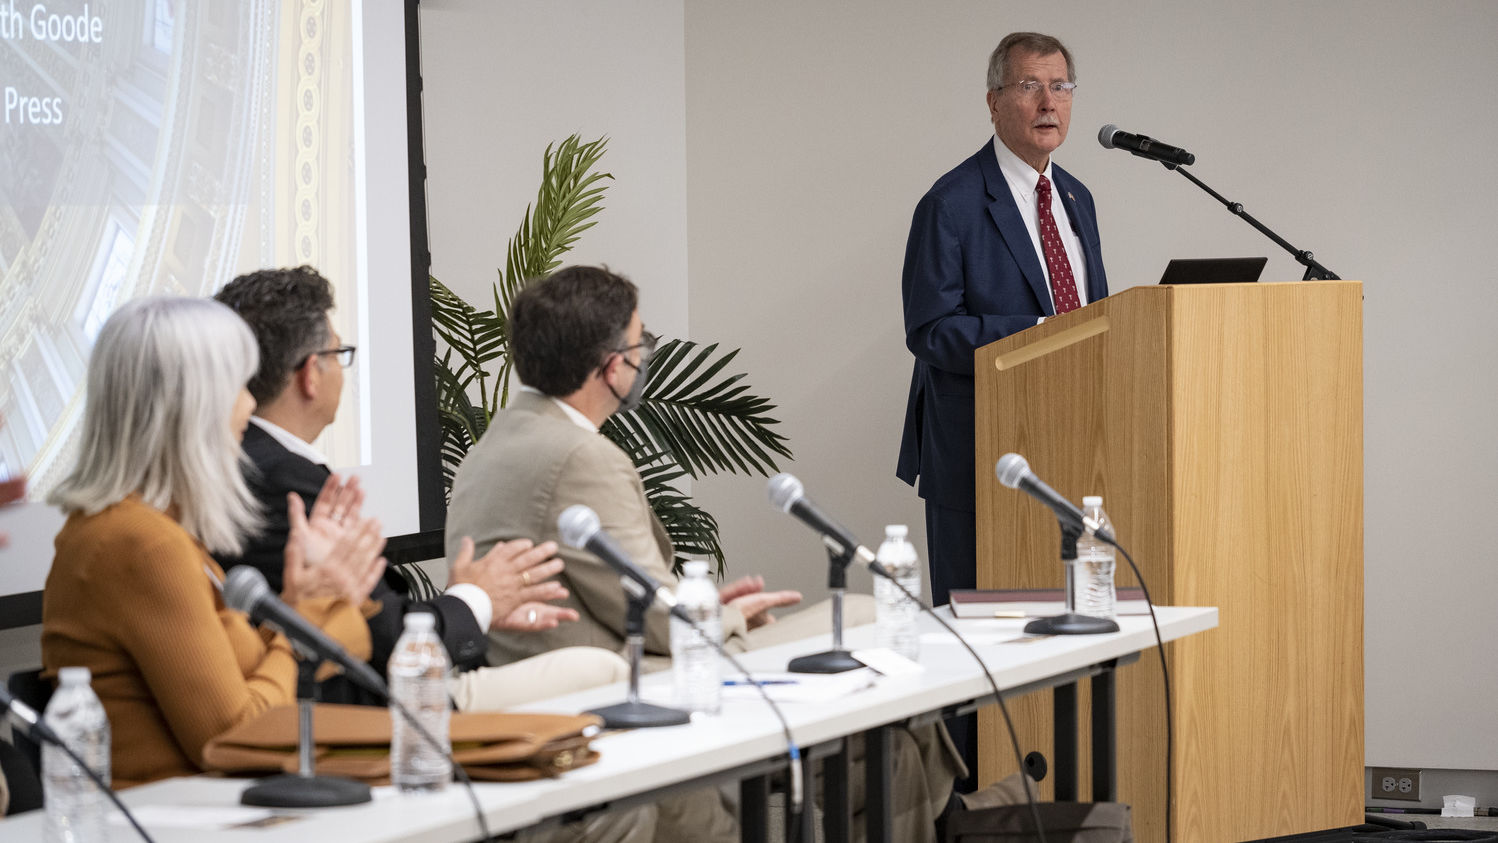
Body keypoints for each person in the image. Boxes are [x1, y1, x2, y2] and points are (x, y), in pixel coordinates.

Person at [447, 265, 962, 842]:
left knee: (889, 744)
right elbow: (669, 626)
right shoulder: (582, 457)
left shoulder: (500, 441)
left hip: (601, 669)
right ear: (612, 365)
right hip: (633, 685)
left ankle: (949, 810)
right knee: (869, 625)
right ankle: (954, 815)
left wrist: (702, 604)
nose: (645, 358)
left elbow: (620, 591)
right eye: (642, 343)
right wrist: (731, 616)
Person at [213, 266, 629, 711]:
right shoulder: (280, 479)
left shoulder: (256, 462)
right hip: (379, 709)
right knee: (604, 672)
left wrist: (475, 608)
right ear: (311, 374)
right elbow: (382, 640)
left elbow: (364, 617)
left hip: (382, 683)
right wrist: (476, 599)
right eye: (341, 354)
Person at [40, 296, 385, 788]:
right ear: (191, 406)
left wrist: (301, 603)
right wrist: (299, 630)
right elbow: (235, 734)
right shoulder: (140, 543)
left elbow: (244, 680)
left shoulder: (151, 530)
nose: (250, 404)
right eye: (239, 386)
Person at [897, 31, 1109, 609]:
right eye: (1030, 86)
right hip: (979, 457)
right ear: (993, 102)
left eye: (1060, 87)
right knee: (979, 648)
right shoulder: (951, 203)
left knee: (1066, 633)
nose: (1049, 102)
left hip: (1072, 443)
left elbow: (1092, 315)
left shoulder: (1076, 197)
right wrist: (1041, 334)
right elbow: (931, 330)